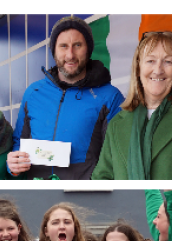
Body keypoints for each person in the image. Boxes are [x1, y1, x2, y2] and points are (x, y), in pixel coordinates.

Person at [7, 16, 124, 180]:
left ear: (88, 49)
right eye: (63, 46)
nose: (70, 55)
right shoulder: (33, 92)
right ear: (54, 50)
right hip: (36, 193)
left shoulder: (110, 97)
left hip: (82, 196)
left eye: (77, 45)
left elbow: (117, 159)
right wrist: (12, 165)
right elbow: (18, 143)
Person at [92, 31, 172, 180]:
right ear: (138, 68)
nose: (158, 70)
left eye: (168, 61)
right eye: (150, 61)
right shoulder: (117, 124)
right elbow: (102, 178)